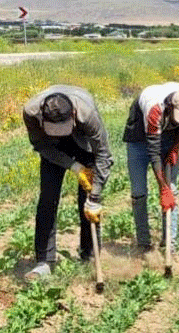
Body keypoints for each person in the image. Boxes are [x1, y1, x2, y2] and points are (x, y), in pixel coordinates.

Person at [21, 85, 113, 279]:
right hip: (52, 149)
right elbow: (41, 145)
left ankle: (89, 256)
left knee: (87, 203)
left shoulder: (87, 114)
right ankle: (44, 261)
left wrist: (95, 196)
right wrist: (74, 167)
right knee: (48, 199)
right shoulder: (31, 112)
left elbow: (104, 155)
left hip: (83, 144)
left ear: (73, 113)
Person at [122, 82, 179, 253]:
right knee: (139, 191)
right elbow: (153, 152)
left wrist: (175, 147)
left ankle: (169, 245)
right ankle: (144, 243)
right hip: (139, 140)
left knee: (173, 190)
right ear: (170, 107)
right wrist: (162, 188)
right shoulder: (155, 109)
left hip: (168, 136)